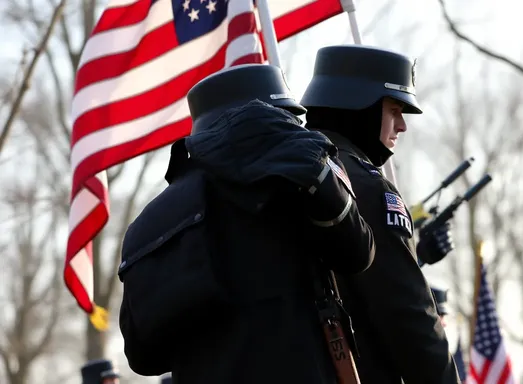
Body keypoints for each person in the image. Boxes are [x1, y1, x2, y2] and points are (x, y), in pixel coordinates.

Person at [119, 64, 375, 383]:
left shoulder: (145, 227)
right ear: (279, 120)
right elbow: (359, 251)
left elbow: (142, 356)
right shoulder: (295, 173)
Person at [301, 44, 460, 383]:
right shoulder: (365, 186)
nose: (401, 125)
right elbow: (409, 316)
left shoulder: (280, 176)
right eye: (393, 110)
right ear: (358, 106)